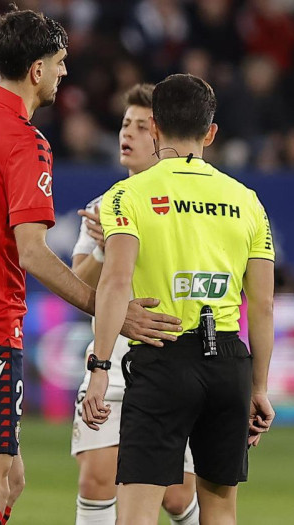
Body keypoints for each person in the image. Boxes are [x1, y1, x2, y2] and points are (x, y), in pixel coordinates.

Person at [0, 9, 182, 525]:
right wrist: (112, 311)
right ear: (37, 70)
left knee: (8, 479)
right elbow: (33, 253)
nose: (65, 74)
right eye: (60, 63)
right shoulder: (26, 141)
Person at [81, 74, 276, 525]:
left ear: (155, 128)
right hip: (229, 360)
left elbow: (114, 283)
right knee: (220, 509)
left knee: (137, 513)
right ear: (210, 133)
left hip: (163, 356)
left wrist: (100, 368)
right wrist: (259, 387)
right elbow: (262, 306)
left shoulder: (126, 195)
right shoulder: (247, 201)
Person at [69, 83, 199, 525]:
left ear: (161, 137)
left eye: (142, 127)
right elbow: (77, 287)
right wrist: (107, 249)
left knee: (176, 496)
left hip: (165, 353)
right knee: (96, 477)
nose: (129, 134)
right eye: (126, 124)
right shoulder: (103, 206)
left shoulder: (186, 204)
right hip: (112, 354)